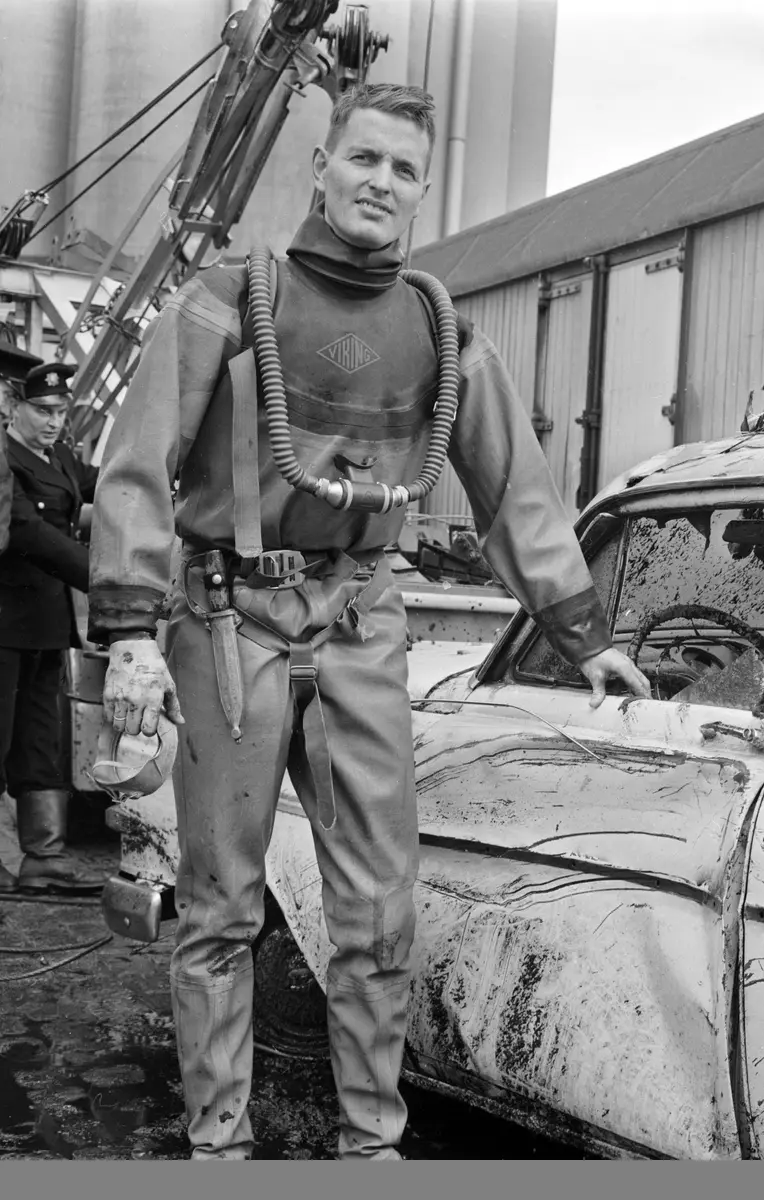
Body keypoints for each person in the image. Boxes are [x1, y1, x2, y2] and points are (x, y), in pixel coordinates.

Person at [89, 83, 649, 1161]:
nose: (381, 183)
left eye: (403, 170)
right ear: (321, 164)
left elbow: (515, 492)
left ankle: (372, 1152)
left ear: (421, 190)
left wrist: (587, 636)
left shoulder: (441, 331)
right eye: (365, 159)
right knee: (219, 911)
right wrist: (126, 631)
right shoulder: (225, 298)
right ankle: (217, 1149)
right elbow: (136, 463)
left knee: (377, 915)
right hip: (225, 620)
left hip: (359, 620)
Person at [0, 360, 104, 893]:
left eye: (61, 412)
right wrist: (105, 576)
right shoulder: (5, 459)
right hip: (4, 623)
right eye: (42, 410)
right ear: (12, 406)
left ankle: (44, 857)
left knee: (42, 740)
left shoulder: (58, 454)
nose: (53, 421)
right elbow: (28, 531)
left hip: (44, 624)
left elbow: (97, 486)